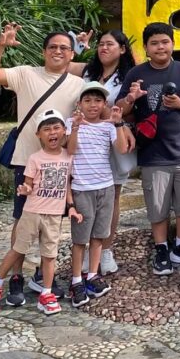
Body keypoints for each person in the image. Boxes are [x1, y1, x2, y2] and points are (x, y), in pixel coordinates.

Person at [0, 24, 85, 305]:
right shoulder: (26, 73)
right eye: (53, 47)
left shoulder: (79, 85)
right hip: (26, 161)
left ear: (72, 53)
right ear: (44, 52)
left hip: (58, 164)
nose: (58, 51)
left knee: (51, 222)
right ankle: (16, 277)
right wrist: (1, 45)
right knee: (22, 221)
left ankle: (42, 275)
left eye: (65, 47)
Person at [113, 22, 180, 276]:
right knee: (157, 205)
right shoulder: (136, 73)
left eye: (164, 42)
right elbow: (120, 110)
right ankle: (161, 248)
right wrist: (131, 98)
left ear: (173, 45)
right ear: (146, 47)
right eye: (154, 43)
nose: (160, 47)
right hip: (152, 152)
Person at [0, 110, 80, 316]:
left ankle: (46, 293)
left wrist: (71, 207)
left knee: (50, 255)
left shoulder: (68, 157)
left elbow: (67, 185)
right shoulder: (35, 158)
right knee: (19, 249)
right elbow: (27, 184)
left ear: (63, 131)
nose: (52, 132)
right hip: (32, 212)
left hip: (54, 215)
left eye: (56, 128)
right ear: (38, 135)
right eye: (46, 129)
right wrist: (25, 189)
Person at [65, 81, 133, 308]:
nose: (93, 105)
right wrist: (74, 128)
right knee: (79, 239)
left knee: (98, 236)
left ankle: (92, 275)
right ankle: (76, 280)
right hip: (82, 189)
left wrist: (118, 124)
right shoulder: (70, 124)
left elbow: (122, 149)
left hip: (105, 187)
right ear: (79, 103)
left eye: (97, 101)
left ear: (104, 104)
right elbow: (70, 150)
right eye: (88, 100)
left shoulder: (108, 126)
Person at [79, 29, 137, 276]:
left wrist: (118, 115)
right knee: (85, 195)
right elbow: (60, 62)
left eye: (110, 44)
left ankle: (105, 249)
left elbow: (125, 110)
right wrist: (80, 45)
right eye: (101, 44)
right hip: (86, 143)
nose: (104, 48)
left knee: (111, 197)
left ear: (122, 49)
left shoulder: (129, 76)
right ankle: (84, 250)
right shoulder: (86, 72)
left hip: (114, 140)